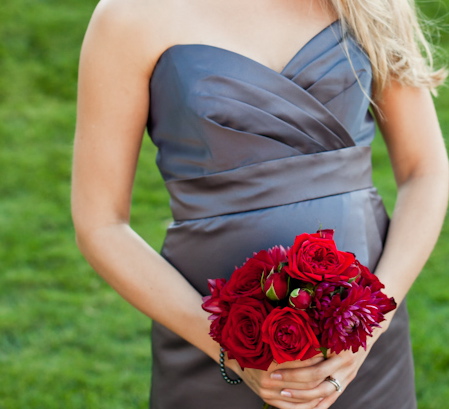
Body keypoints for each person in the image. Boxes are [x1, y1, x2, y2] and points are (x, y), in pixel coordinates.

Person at [71, 0, 448, 408]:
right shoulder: (130, 15)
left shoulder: (371, 4)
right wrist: (229, 347)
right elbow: (101, 223)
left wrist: (372, 322)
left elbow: (424, 170)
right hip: (207, 343)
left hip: (363, 346)